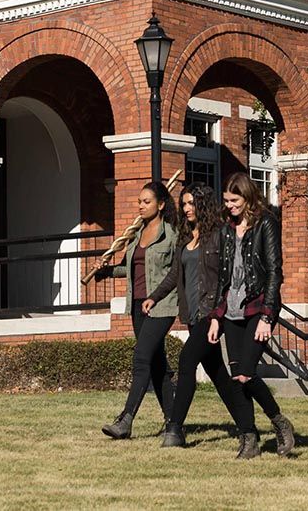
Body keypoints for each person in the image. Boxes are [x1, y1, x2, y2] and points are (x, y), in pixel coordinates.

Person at [147, 184, 251, 450]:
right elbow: (174, 275)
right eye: (183, 204)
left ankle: (174, 429)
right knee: (218, 374)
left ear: (203, 205)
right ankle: (247, 428)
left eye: (191, 203)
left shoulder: (217, 236)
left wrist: (218, 310)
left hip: (211, 314)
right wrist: (154, 296)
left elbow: (227, 278)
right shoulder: (186, 238)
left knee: (186, 361)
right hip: (193, 315)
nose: (186, 209)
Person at [208, 172, 295, 459]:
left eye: (234, 200)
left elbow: (274, 272)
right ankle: (249, 439)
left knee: (246, 373)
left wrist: (268, 316)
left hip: (258, 308)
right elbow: (222, 278)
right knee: (237, 377)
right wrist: (216, 316)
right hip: (231, 312)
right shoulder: (226, 230)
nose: (229, 206)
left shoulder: (266, 224)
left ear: (247, 198)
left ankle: (280, 422)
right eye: (226, 201)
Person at [95, 182, 179, 439]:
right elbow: (129, 268)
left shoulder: (172, 235)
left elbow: (178, 272)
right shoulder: (136, 234)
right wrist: (106, 270)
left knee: (142, 357)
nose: (141, 206)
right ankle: (174, 423)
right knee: (156, 364)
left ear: (161, 205)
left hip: (162, 304)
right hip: (137, 304)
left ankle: (125, 420)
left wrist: (156, 296)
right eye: (140, 202)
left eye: (147, 202)